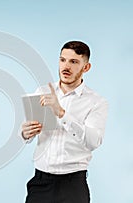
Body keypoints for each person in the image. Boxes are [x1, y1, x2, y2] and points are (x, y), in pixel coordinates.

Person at [22, 41, 108, 203]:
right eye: (62, 60)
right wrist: (25, 133)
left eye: (74, 62)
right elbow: (30, 134)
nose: (66, 66)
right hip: (41, 182)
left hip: (73, 185)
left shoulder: (96, 102)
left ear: (86, 67)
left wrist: (61, 113)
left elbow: (93, 142)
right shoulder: (42, 92)